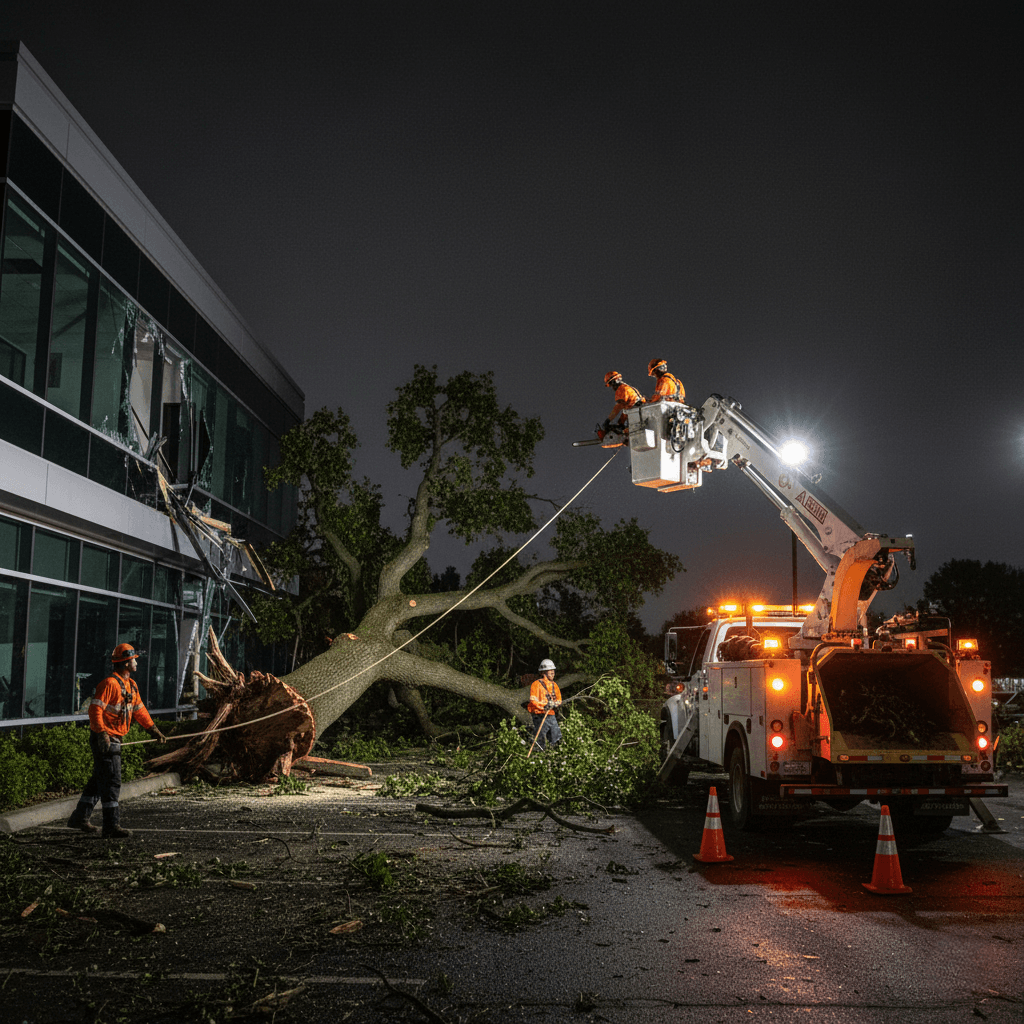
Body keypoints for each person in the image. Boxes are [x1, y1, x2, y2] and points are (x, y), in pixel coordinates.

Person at [67, 643, 165, 838]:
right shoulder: (109, 684)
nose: (136, 662)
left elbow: (139, 711)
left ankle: (79, 818)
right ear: (126, 663)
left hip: (112, 737)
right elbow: (95, 710)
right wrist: (102, 733)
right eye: (134, 659)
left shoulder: (131, 686)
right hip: (106, 738)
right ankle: (111, 825)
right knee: (112, 780)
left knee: (100, 779)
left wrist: (153, 730)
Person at [527, 658, 562, 751]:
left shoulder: (555, 685)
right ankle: (538, 754)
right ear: (543, 672)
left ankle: (556, 754)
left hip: (551, 715)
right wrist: (544, 706)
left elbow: (559, 700)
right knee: (540, 737)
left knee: (556, 736)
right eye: (550, 671)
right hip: (539, 715)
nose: (553, 673)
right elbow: (532, 700)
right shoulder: (536, 684)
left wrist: (554, 704)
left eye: (553, 671)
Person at [599, 371, 645, 439]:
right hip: (641, 413)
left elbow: (618, 407)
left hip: (637, 415)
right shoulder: (629, 388)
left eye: (611, 384)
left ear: (615, 381)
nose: (612, 387)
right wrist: (621, 422)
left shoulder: (621, 390)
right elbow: (628, 407)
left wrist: (608, 420)